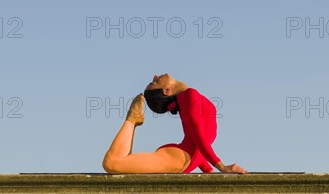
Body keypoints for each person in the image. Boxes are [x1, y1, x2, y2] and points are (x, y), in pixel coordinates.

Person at [102, 73, 248, 174]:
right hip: (177, 158)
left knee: (117, 163)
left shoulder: (187, 97)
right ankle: (132, 119)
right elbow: (198, 136)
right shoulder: (189, 95)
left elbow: (197, 141)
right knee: (112, 163)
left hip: (181, 157)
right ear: (167, 90)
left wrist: (209, 172)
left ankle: (133, 120)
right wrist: (221, 167)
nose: (155, 76)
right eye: (154, 82)